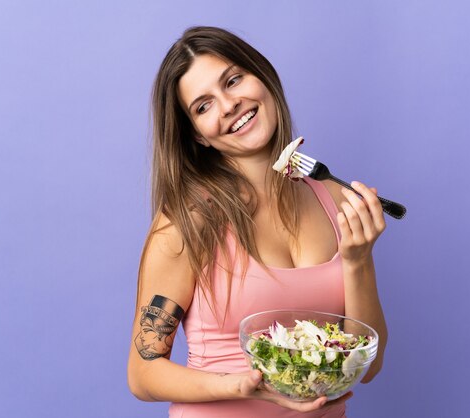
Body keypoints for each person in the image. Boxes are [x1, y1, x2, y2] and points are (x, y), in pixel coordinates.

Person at [127, 26, 388, 418]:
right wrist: (243, 383)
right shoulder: (189, 221)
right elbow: (142, 373)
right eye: (203, 106)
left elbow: (367, 366)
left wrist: (358, 259)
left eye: (233, 80)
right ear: (197, 136)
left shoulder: (331, 196)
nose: (228, 104)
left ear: (262, 76)